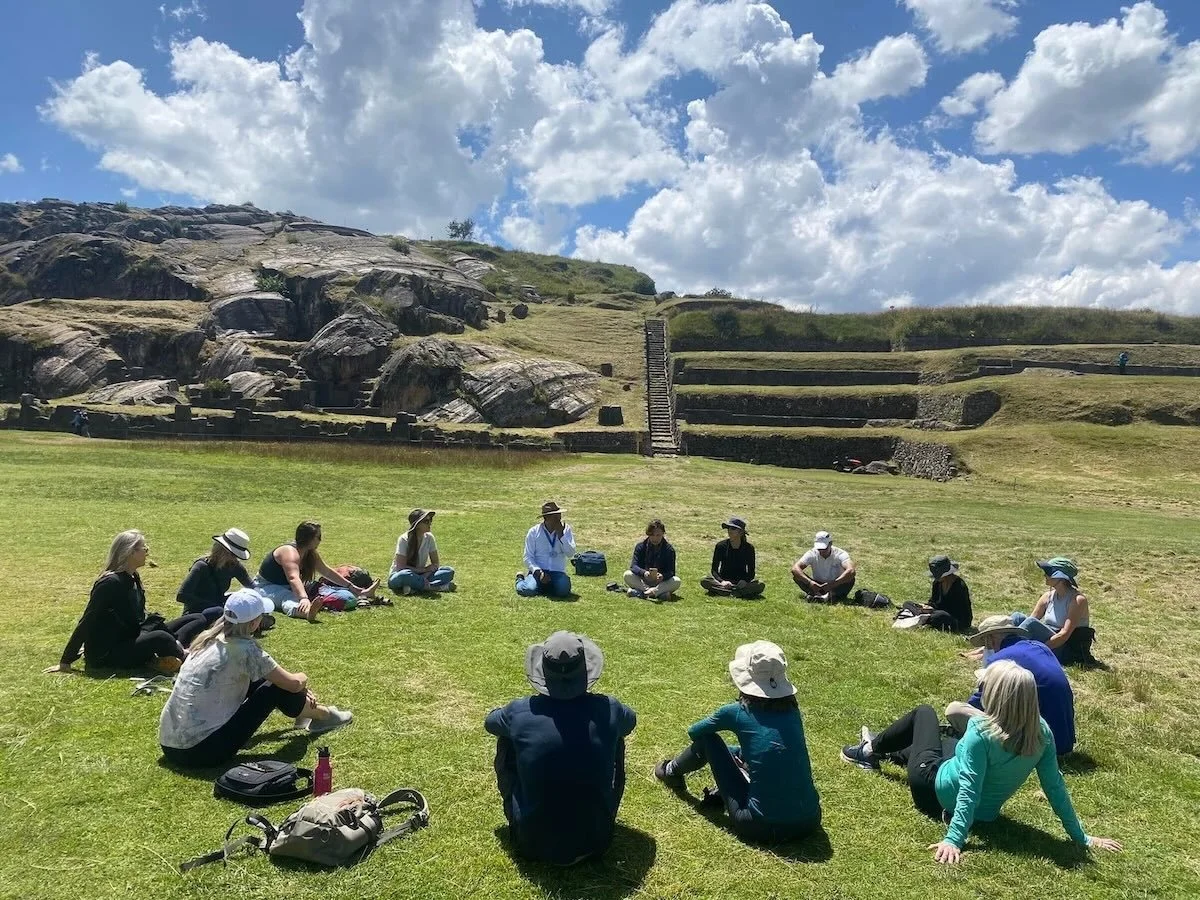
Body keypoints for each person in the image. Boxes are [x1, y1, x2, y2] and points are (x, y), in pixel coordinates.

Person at [841, 661, 1122, 865]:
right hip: (985, 813)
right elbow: (1055, 787)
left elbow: (969, 788)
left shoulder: (980, 731)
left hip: (931, 789)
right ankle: (891, 750)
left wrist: (954, 839)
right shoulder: (1042, 733)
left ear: (998, 696)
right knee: (938, 742)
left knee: (924, 715)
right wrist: (1081, 837)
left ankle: (868, 751)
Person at [484, 631, 636, 865]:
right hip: (597, 843)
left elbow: (490, 722)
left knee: (507, 737)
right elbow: (630, 721)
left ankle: (523, 814)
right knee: (615, 735)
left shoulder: (520, 712)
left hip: (531, 845)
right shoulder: (609, 709)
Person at [158, 589, 352, 767]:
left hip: (169, 745)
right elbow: (292, 684)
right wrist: (303, 678)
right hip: (201, 752)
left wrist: (296, 687)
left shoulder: (206, 640)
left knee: (268, 680)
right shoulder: (245, 650)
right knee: (276, 687)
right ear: (253, 623)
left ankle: (311, 713)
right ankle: (324, 716)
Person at [654, 641, 821, 843]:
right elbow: (769, 750)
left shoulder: (737, 712)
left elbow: (695, 732)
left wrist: (725, 752)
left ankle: (671, 771)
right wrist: (733, 754)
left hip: (760, 826)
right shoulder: (792, 710)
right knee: (745, 756)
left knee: (709, 740)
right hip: (810, 820)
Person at [45, 530, 209, 676]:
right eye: (144, 549)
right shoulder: (110, 583)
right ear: (130, 552)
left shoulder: (133, 577)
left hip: (131, 635)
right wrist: (65, 661)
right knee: (161, 637)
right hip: (109, 653)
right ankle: (186, 658)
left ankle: (169, 652)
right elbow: (88, 620)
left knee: (196, 619)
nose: (147, 553)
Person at [946, 615, 1076, 756]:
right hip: (1065, 743)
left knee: (955, 710)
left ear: (991, 638)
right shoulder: (1041, 647)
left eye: (985, 642)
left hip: (1038, 746)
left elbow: (979, 702)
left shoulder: (999, 660)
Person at [253, 521, 376, 621]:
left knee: (328, 590)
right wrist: (303, 598)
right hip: (266, 586)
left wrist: (353, 587)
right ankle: (306, 612)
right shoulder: (289, 552)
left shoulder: (310, 554)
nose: (320, 540)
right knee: (288, 598)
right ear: (310, 538)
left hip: (291, 586)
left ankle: (362, 594)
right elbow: (293, 578)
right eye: (319, 537)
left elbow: (327, 572)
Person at [1011, 558, 1097, 666]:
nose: (1044, 575)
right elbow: (1030, 620)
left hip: (1065, 648)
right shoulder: (1047, 596)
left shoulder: (1077, 600)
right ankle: (1005, 648)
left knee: (1031, 623)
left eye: (1048, 572)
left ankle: (1008, 652)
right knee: (1017, 617)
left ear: (1061, 577)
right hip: (1051, 641)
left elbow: (1064, 635)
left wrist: (1039, 651)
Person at [176, 528, 257, 623]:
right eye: (233, 555)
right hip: (197, 613)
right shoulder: (201, 566)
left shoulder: (233, 566)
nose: (235, 559)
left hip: (219, 608)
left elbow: (251, 586)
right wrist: (214, 605)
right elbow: (182, 595)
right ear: (222, 551)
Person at [388, 508, 456, 595]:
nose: (430, 523)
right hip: (400, 575)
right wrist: (423, 570)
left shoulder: (429, 538)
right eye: (426, 521)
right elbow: (401, 567)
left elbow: (435, 563)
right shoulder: (404, 539)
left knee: (448, 571)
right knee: (405, 575)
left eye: (430, 520)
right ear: (417, 525)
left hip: (421, 575)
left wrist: (425, 575)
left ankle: (413, 587)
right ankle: (434, 587)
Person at [516, 501, 575, 598]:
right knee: (528, 590)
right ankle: (520, 579)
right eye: (555, 516)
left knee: (563, 591)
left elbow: (570, 553)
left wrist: (561, 536)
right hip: (538, 571)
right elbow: (528, 557)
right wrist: (539, 572)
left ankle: (544, 587)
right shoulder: (534, 532)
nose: (559, 518)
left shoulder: (566, 530)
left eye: (559, 514)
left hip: (557, 572)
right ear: (546, 518)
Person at [901, 555, 972, 632]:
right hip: (937, 612)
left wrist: (933, 610)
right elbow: (934, 601)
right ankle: (923, 617)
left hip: (956, 619)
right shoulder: (937, 583)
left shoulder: (959, 586)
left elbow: (959, 611)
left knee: (939, 616)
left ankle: (922, 618)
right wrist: (927, 606)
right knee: (908, 603)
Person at [701, 517, 764, 598]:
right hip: (724, 582)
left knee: (760, 584)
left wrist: (745, 581)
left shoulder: (749, 548)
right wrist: (722, 581)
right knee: (705, 581)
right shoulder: (721, 546)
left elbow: (751, 571)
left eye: (733, 528)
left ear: (741, 532)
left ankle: (726, 592)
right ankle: (737, 593)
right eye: (728, 528)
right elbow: (714, 570)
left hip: (741, 583)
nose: (729, 531)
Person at [623, 518, 681, 601]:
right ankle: (657, 593)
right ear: (648, 534)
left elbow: (671, 571)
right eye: (652, 535)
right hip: (643, 580)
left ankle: (643, 593)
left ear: (663, 534)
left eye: (658, 535)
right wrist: (644, 573)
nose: (655, 538)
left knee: (676, 581)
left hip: (660, 582)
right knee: (627, 575)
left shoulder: (669, 550)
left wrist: (662, 576)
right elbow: (634, 566)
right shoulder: (641, 546)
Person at [791, 531, 856, 603]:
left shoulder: (840, 554)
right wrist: (810, 583)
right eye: (819, 549)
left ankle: (823, 595)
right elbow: (795, 568)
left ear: (830, 543)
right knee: (797, 576)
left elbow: (851, 571)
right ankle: (822, 595)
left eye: (824, 548)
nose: (821, 551)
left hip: (836, 585)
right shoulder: (812, 553)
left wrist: (832, 585)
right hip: (817, 584)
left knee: (850, 579)